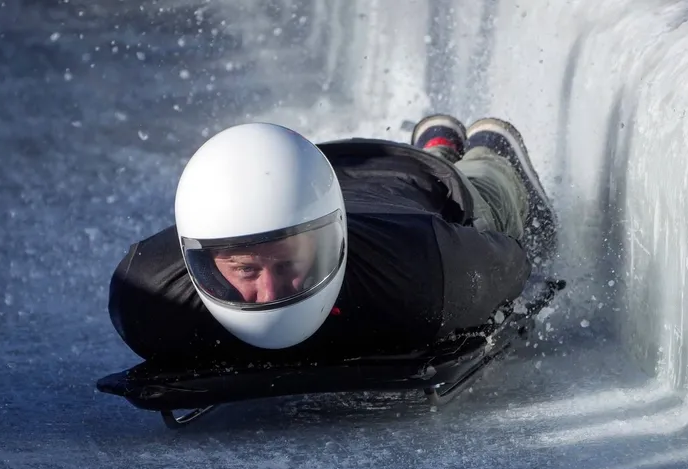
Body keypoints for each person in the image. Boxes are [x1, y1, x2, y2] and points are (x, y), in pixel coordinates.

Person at [107, 115, 557, 364]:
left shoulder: (430, 271)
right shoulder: (145, 297)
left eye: (288, 264)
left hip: (412, 184)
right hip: (312, 171)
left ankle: (481, 152)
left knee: (485, 196)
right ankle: (436, 140)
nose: (271, 293)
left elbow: (514, 262)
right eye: (245, 269)